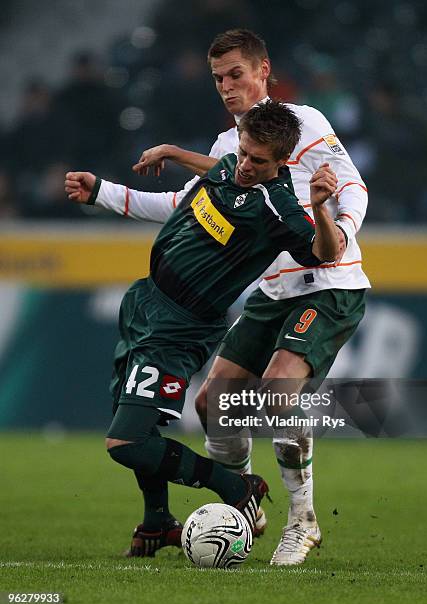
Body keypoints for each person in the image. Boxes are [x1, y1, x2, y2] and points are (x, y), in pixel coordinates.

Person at [66, 29, 370, 565]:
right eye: (218, 79)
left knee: (277, 392)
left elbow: (352, 186)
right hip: (273, 290)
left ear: (263, 70)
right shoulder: (229, 149)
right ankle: (243, 506)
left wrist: (340, 230)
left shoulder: (307, 123)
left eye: (236, 75)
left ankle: (302, 520)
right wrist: (104, 193)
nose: (227, 87)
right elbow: (188, 201)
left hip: (326, 281)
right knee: (212, 404)